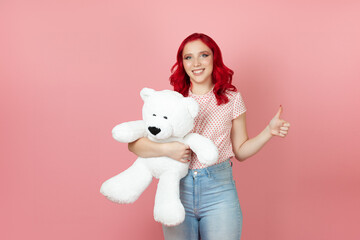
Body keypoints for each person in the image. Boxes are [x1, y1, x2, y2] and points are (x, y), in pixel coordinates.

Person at [128, 33, 290, 240]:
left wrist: (269, 131)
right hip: (177, 191)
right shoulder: (173, 101)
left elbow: (240, 151)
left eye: (203, 55)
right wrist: (168, 149)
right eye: (188, 57)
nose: (196, 63)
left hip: (219, 192)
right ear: (182, 63)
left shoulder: (232, 98)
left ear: (214, 58)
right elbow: (135, 145)